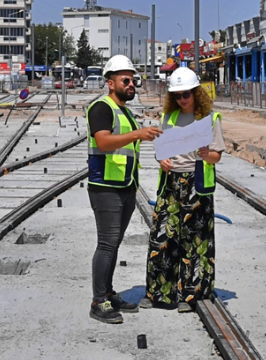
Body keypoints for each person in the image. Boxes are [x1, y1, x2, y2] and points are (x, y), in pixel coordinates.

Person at [140, 66, 226, 313]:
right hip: (171, 182)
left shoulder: (209, 118)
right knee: (162, 238)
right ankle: (160, 293)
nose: (182, 99)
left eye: (186, 94)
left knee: (195, 241)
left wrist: (205, 154)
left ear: (196, 93)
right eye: (177, 95)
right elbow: (161, 149)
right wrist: (161, 160)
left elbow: (217, 157)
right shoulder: (168, 118)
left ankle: (192, 295)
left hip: (196, 183)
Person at [86, 54, 163, 324]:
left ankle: (108, 292)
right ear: (110, 83)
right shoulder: (100, 108)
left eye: (134, 80)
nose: (132, 84)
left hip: (125, 185)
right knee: (106, 244)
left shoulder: (125, 111)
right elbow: (104, 142)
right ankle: (98, 302)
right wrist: (138, 134)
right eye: (126, 80)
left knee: (114, 244)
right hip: (105, 186)